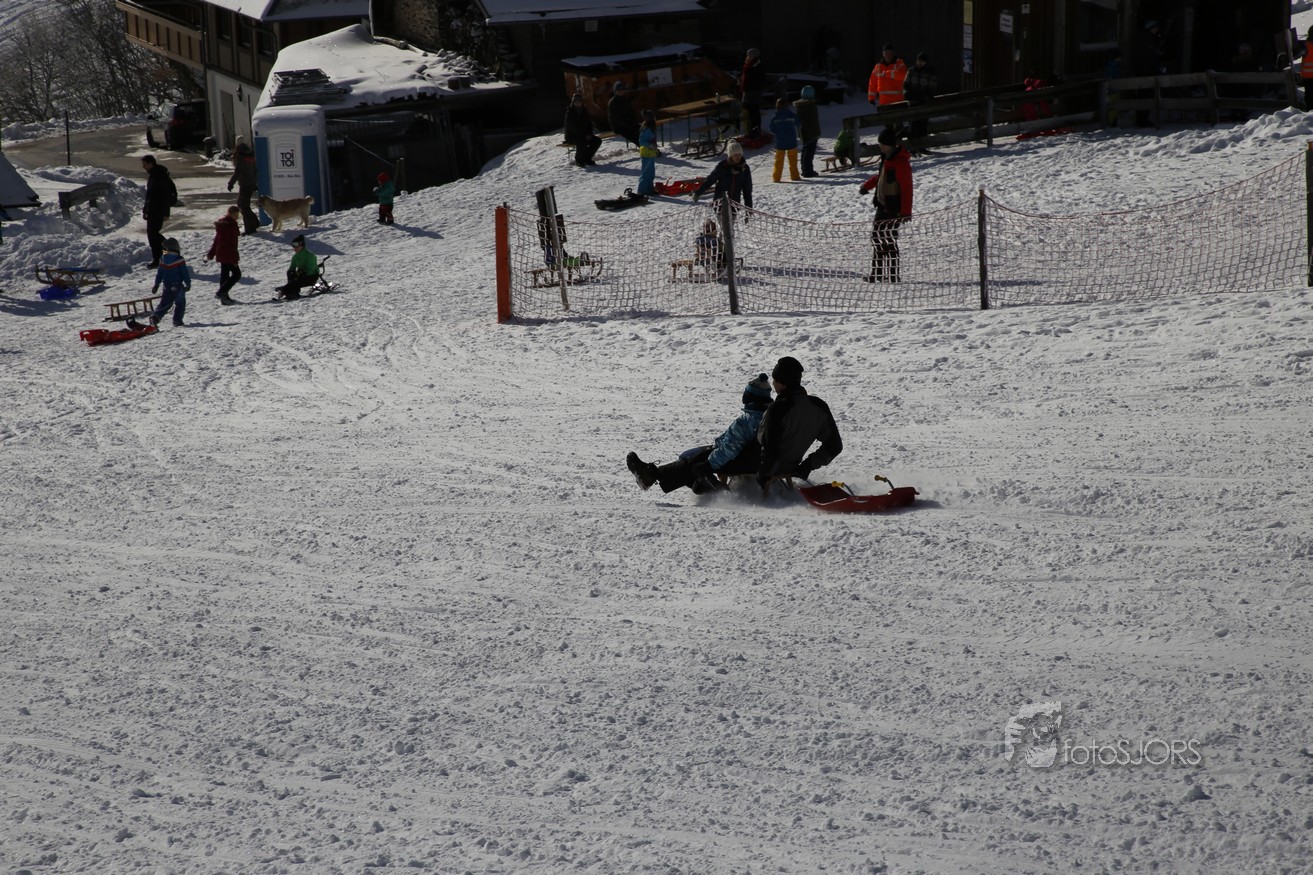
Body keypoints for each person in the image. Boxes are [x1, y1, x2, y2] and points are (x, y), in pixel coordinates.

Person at [627, 374, 773, 494]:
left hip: (740, 461)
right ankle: (659, 476)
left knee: (693, 462)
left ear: (750, 397)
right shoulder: (766, 416)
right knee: (695, 457)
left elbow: (730, 449)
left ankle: (653, 476)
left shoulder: (748, 421)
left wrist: (708, 464)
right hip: (752, 460)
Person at [756, 356, 842, 489]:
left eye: (775, 380)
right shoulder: (818, 406)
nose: (773, 383)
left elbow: (769, 446)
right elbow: (835, 445)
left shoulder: (778, 408)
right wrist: (807, 466)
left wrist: (764, 475)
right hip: (793, 466)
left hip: (767, 468)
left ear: (782, 383)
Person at [858, 127, 913, 283]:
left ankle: (893, 275)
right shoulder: (887, 158)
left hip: (893, 208)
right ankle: (876, 274)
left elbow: (907, 188)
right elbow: (880, 176)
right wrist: (867, 186)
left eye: (882, 144)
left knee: (889, 240)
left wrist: (905, 212)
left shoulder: (900, 163)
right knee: (877, 238)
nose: (880, 146)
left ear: (889, 144)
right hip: (882, 205)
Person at [692, 140, 753, 214]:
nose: (738, 157)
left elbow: (747, 190)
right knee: (722, 221)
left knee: (732, 221)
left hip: (734, 205)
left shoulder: (745, 169)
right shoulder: (722, 167)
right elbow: (710, 180)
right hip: (720, 204)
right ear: (730, 155)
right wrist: (698, 193)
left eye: (739, 154)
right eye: (735, 154)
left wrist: (749, 211)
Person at [141, 154, 175, 268]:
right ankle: (162, 256)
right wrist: (145, 209)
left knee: (153, 235)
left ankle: (167, 252)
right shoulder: (152, 175)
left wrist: (166, 213)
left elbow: (166, 196)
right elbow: (149, 195)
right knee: (152, 235)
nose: (143, 166)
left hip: (158, 210)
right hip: (152, 210)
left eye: (144, 164)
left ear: (150, 163)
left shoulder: (160, 176)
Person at [149, 238, 191, 327]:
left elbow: (160, 273)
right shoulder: (179, 259)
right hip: (177, 285)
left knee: (165, 302)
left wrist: (156, 284)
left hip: (166, 285)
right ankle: (176, 320)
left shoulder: (163, 258)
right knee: (180, 303)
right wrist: (188, 283)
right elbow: (184, 272)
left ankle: (156, 316)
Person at [205, 205, 241, 305]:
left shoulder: (223, 225)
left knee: (224, 275)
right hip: (228, 254)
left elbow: (217, 241)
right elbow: (230, 244)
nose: (237, 217)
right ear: (230, 214)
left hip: (222, 253)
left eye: (237, 215)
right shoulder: (230, 226)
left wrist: (211, 254)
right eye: (235, 215)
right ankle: (221, 293)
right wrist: (234, 259)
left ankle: (224, 298)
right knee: (237, 274)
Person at [902, 52, 937, 153]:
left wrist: (925, 97)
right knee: (912, 125)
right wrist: (907, 94)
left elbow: (932, 87)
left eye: (921, 61)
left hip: (924, 102)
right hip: (913, 102)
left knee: (923, 125)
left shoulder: (930, 72)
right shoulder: (911, 70)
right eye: (918, 61)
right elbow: (905, 85)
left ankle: (922, 146)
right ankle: (912, 147)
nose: (919, 63)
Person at [227, 135, 259, 235]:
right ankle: (254, 223)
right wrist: (255, 182)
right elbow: (254, 169)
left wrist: (230, 183)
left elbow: (238, 172)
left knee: (243, 206)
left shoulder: (240, 155)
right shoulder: (250, 153)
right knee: (244, 205)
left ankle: (251, 228)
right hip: (251, 183)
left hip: (245, 183)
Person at [564, 92, 601, 168]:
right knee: (582, 142)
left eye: (579, 101)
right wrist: (585, 135)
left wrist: (589, 134)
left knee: (597, 141)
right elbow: (572, 128)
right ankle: (579, 160)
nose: (577, 102)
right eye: (575, 101)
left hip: (584, 134)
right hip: (572, 135)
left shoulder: (584, 111)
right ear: (573, 102)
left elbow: (589, 124)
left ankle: (587, 158)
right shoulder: (569, 112)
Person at [768, 97, 801, 183]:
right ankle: (795, 176)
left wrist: (778, 133)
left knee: (778, 161)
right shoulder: (791, 115)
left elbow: (771, 129)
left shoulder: (775, 117)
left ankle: (776, 178)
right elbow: (798, 122)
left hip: (780, 142)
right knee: (793, 160)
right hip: (791, 141)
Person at [276, 234, 318, 300]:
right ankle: (292, 292)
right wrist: (291, 272)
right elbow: (292, 268)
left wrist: (302, 273)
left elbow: (311, 270)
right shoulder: (295, 257)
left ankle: (284, 289)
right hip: (301, 276)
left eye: (297, 247)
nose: (295, 248)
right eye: (294, 247)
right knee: (291, 274)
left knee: (296, 281)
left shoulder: (310, 256)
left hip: (311, 277)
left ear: (302, 246)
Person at [868, 44, 908, 109]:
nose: (888, 55)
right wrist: (871, 98)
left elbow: (903, 75)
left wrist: (887, 73)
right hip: (884, 102)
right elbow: (872, 83)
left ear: (893, 54)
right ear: (883, 54)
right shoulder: (878, 66)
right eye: (886, 53)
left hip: (898, 101)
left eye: (890, 53)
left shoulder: (899, 62)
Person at [794, 85, 821, 177]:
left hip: (803, 131)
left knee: (805, 151)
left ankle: (805, 169)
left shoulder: (800, 106)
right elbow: (814, 120)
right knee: (809, 152)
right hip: (811, 132)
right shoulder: (811, 106)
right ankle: (808, 171)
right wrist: (816, 132)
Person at [740, 48, 766, 136]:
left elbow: (756, 77)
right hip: (748, 91)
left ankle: (755, 130)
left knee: (754, 111)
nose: (748, 56)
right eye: (748, 55)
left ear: (754, 56)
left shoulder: (757, 65)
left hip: (754, 92)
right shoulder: (750, 64)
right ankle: (751, 129)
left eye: (750, 55)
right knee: (749, 111)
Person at [607, 81, 640, 148]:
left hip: (628, 124)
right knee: (634, 136)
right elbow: (616, 119)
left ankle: (652, 148)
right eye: (618, 89)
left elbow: (631, 113)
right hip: (618, 126)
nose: (621, 91)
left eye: (622, 89)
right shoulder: (612, 102)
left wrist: (634, 122)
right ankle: (646, 150)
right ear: (615, 91)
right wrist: (628, 125)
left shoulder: (625, 99)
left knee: (643, 131)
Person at [637, 111, 659, 196]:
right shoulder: (646, 129)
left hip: (651, 153)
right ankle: (642, 190)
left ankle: (649, 188)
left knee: (651, 173)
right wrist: (650, 145)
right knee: (646, 172)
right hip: (646, 153)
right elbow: (641, 141)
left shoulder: (651, 128)